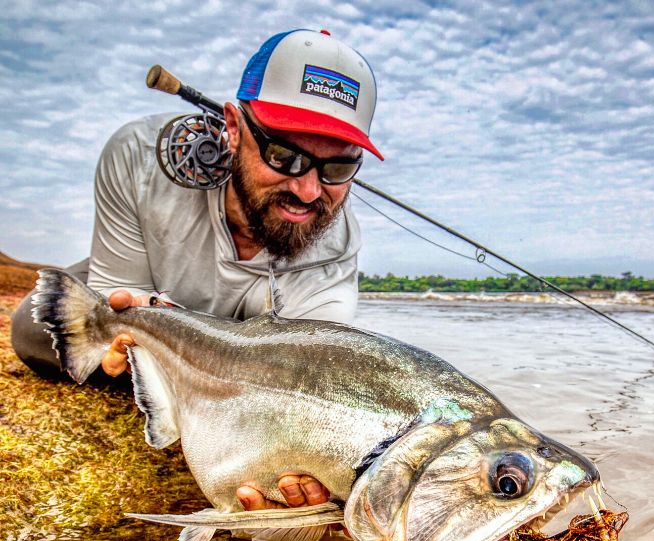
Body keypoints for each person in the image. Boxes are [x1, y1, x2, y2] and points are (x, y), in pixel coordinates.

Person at [11, 28, 383, 513]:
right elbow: (118, 295)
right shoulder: (138, 158)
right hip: (153, 299)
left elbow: (305, 378)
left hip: (256, 351)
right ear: (233, 126)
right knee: (34, 327)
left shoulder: (340, 243)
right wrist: (141, 315)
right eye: (284, 157)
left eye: (337, 170)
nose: (310, 191)